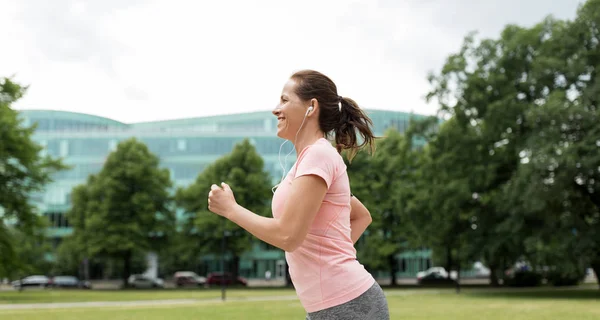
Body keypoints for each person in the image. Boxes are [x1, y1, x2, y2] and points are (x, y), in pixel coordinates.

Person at [207, 69, 389, 319]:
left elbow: (288, 236)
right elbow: (361, 216)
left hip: (347, 303)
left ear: (310, 107)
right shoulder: (310, 160)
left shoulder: (318, 155)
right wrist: (326, 257)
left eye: (284, 100)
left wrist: (231, 209)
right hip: (330, 305)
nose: (275, 109)